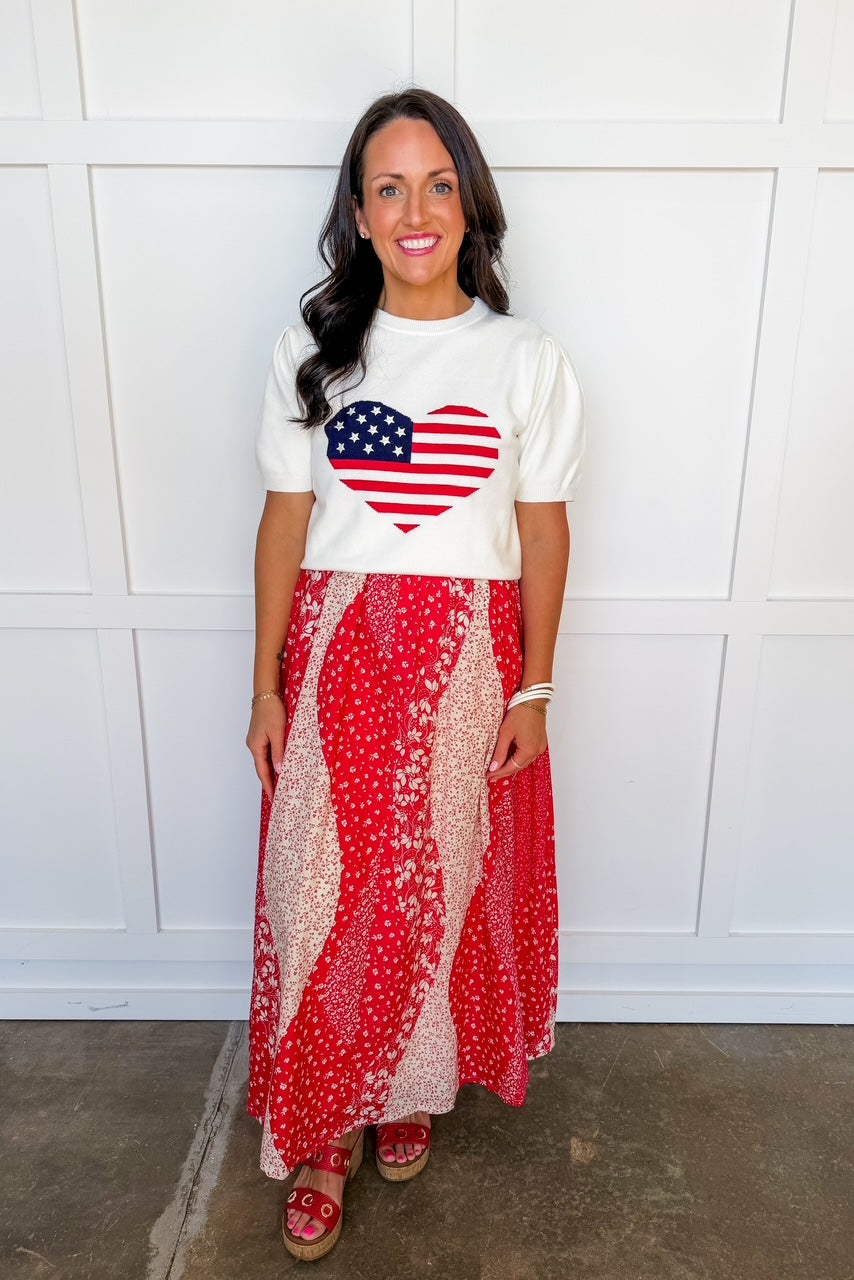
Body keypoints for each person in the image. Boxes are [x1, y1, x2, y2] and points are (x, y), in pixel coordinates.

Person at [245, 87, 585, 1261]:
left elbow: (541, 530)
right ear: (357, 211)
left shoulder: (522, 357)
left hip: (465, 663)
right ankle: (322, 1132)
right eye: (387, 188)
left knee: (425, 889)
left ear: (469, 201)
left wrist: (534, 689)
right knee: (318, 892)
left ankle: (402, 1081)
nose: (415, 211)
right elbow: (284, 521)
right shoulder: (312, 349)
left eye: (438, 184)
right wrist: (263, 684)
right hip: (336, 650)